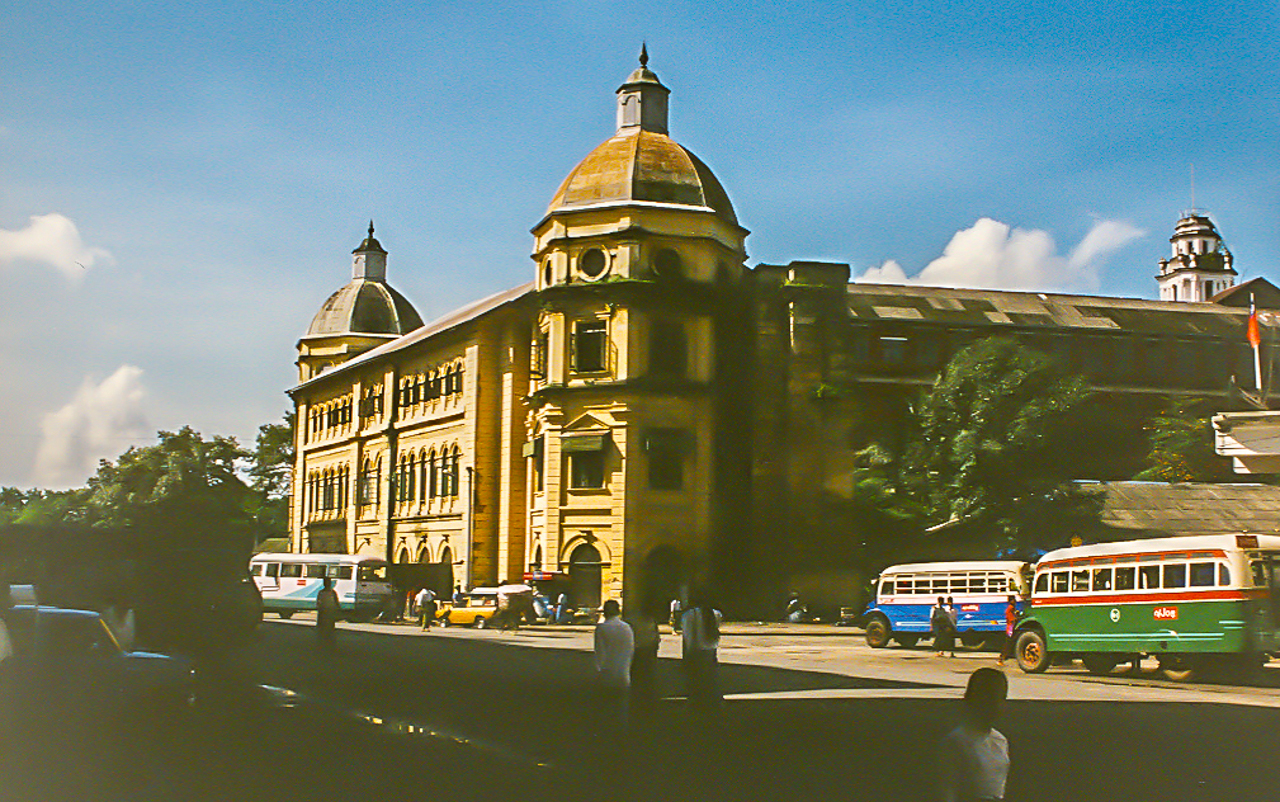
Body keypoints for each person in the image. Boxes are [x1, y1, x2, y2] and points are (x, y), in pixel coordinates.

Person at [938, 667, 1010, 802]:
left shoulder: (1001, 741)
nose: (997, 705)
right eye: (990, 698)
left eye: (1001, 698)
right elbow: (947, 789)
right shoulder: (956, 743)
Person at [593, 599, 635, 734]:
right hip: (624, 672)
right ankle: (621, 732)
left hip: (607, 673)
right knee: (621, 707)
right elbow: (631, 650)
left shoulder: (602, 628)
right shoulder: (627, 628)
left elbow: (600, 653)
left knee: (605, 707)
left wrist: (598, 672)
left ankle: (605, 731)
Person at [681, 594, 722, 710]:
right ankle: (713, 701)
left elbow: (688, 637)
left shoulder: (688, 615)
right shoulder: (715, 613)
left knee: (695, 678)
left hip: (696, 651)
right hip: (710, 650)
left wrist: (686, 655)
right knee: (710, 677)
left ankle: (695, 701)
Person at [627, 605, 661, 721]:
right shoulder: (651, 621)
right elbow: (657, 637)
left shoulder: (633, 622)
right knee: (648, 676)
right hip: (648, 651)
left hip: (637, 651)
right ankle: (649, 701)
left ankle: (637, 701)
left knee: (636, 676)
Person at [316, 577, 341, 650]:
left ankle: (326, 643)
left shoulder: (324, 592)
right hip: (326, 612)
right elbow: (336, 603)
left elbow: (319, 603)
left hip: (327, 612)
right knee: (327, 628)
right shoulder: (330, 592)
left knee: (327, 628)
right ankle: (326, 643)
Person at [996, 595, 1020, 666]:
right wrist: (1017, 617)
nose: (1015, 601)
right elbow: (1012, 619)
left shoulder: (1012, 608)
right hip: (1010, 628)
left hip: (1011, 627)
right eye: (1013, 600)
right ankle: (1001, 659)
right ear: (1011, 601)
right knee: (1007, 644)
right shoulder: (1010, 608)